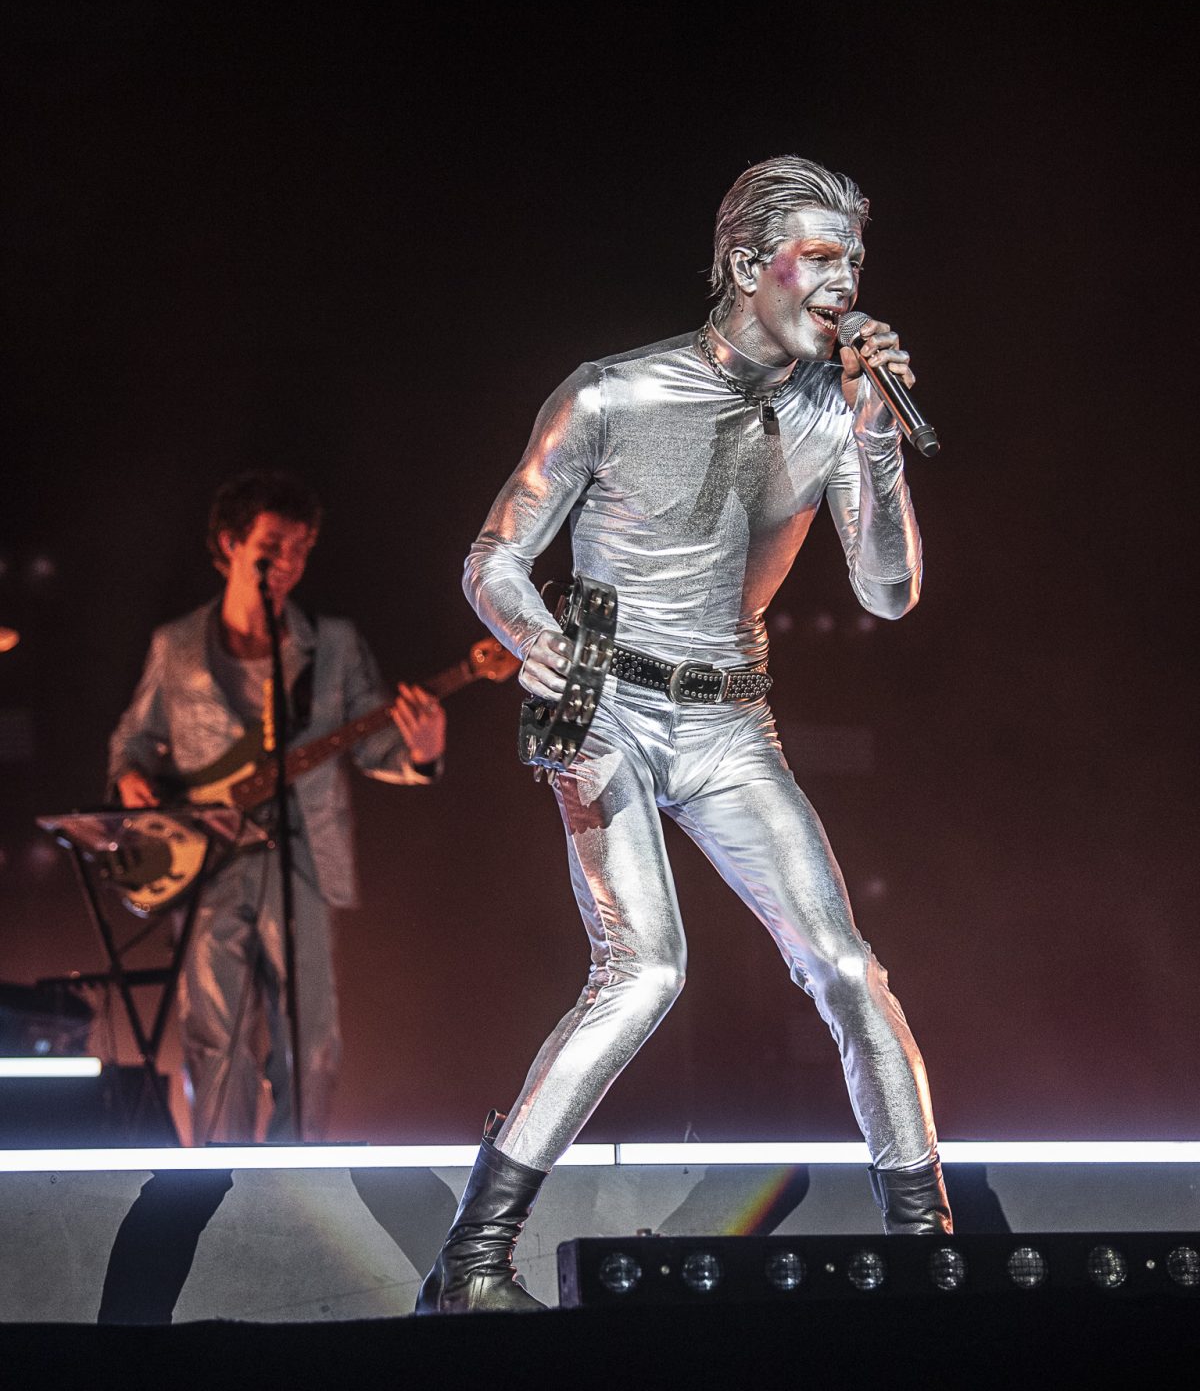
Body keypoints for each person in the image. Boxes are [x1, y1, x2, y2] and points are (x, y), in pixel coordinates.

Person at [417, 155, 951, 1314]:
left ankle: (930, 1251)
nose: (846, 282)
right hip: (606, 701)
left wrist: (873, 438)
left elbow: (888, 592)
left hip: (731, 720)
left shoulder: (834, 408)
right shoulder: (611, 394)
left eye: (856, 261)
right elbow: (492, 557)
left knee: (847, 968)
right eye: (822, 257)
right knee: (645, 970)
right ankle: (470, 1262)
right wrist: (533, 634)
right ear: (748, 264)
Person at [109, 470, 445, 1143]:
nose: (287, 563)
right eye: (271, 547)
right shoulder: (176, 646)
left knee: (310, 1040)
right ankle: (219, 1180)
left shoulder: (333, 645)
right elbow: (133, 740)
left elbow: (375, 746)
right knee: (214, 1037)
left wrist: (423, 752)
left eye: (299, 549)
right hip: (208, 865)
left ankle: (295, 1180)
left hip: (301, 862)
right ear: (229, 545)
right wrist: (131, 781)